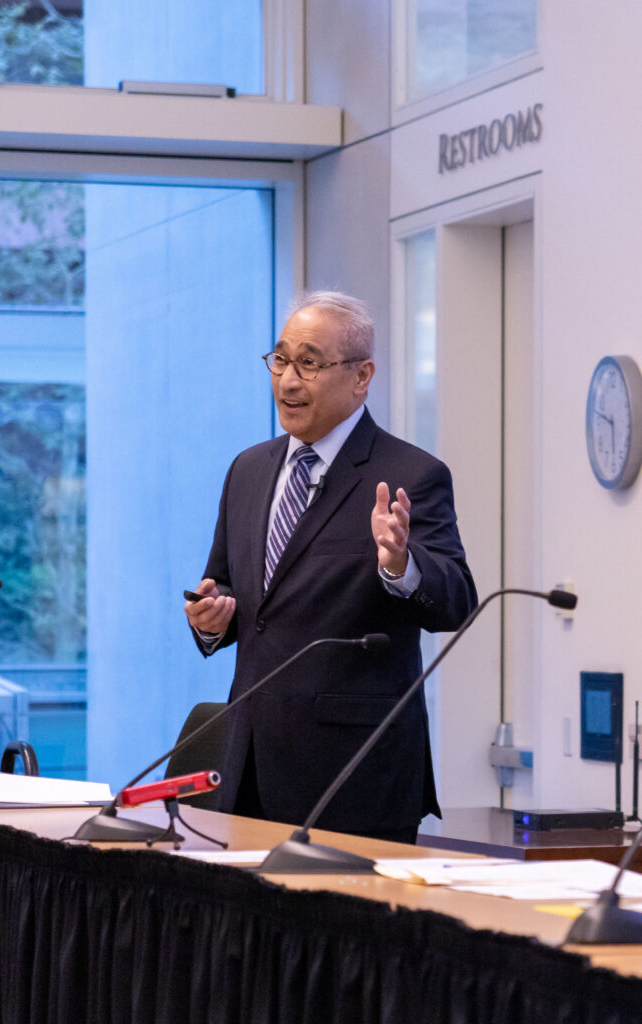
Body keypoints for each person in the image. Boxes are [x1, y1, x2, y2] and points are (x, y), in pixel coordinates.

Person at [183, 291, 477, 844]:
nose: (288, 381)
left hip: (354, 778)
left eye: (310, 364)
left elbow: (457, 600)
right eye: (280, 360)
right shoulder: (248, 470)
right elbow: (231, 587)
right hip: (247, 767)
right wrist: (212, 618)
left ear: (361, 376)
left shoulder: (411, 473)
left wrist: (401, 566)